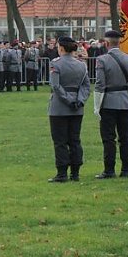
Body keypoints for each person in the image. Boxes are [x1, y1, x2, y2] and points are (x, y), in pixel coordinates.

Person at [93, 30, 128, 179]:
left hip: (108, 103)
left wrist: (97, 106)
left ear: (106, 43)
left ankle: (109, 170)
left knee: (109, 138)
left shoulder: (102, 60)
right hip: (125, 103)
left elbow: (100, 84)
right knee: (125, 137)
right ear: (119, 42)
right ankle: (126, 169)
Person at [47, 37, 90, 183]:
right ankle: (75, 172)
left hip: (59, 107)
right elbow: (86, 86)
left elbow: (55, 85)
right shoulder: (81, 65)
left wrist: (67, 99)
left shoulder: (56, 63)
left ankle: (62, 173)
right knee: (75, 140)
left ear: (61, 48)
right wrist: (80, 100)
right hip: (77, 107)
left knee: (60, 141)